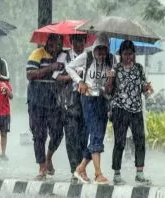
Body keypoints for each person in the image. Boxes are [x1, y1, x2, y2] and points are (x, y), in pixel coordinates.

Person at [66, 33, 116, 184]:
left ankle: (80, 168)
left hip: (103, 100)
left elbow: (111, 84)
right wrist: (80, 81)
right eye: (98, 49)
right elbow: (69, 67)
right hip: (88, 99)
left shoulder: (112, 60)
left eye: (104, 49)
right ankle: (98, 173)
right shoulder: (86, 57)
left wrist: (111, 79)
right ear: (94, 48)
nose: (101, 53)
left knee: (98, 136)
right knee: (94, 133)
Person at [110, 40, 153, 185]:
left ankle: (139, 172)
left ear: (134, 54)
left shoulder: (139, 69)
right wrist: (110, 78)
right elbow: (108, 91)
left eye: (131, 54)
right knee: (120, 142)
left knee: (139, 140)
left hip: (136, 110)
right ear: (120, 54)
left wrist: (147, 88)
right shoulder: (115, 69)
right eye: (125, 54)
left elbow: (143, 88)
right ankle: (116, 174)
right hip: (120, 110)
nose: (128, 57)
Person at [26, 34, 64, 180]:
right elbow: (30, 75)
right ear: (48, 42)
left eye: (58, 42)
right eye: (53, 41)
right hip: (37, 100)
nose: (56, 45)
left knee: (58, 133)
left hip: (55, 101)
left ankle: (49, 157)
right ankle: (42, 167)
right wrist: (51, 68)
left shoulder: (63, 56)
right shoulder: (37, 54)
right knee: (39, 135)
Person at [53, 34, 87, 182]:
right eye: (76, 41)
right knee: (71, 136)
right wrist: (73, 76)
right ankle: (74, 169)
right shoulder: (64, 56)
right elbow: (56, 77)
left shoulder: (89, 57)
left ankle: (81, 168)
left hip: (86, 100)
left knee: (83, 136)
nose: (79, 44)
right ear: (71, 42)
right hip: (68, 101)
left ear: (85, 42)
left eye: (81, 41)